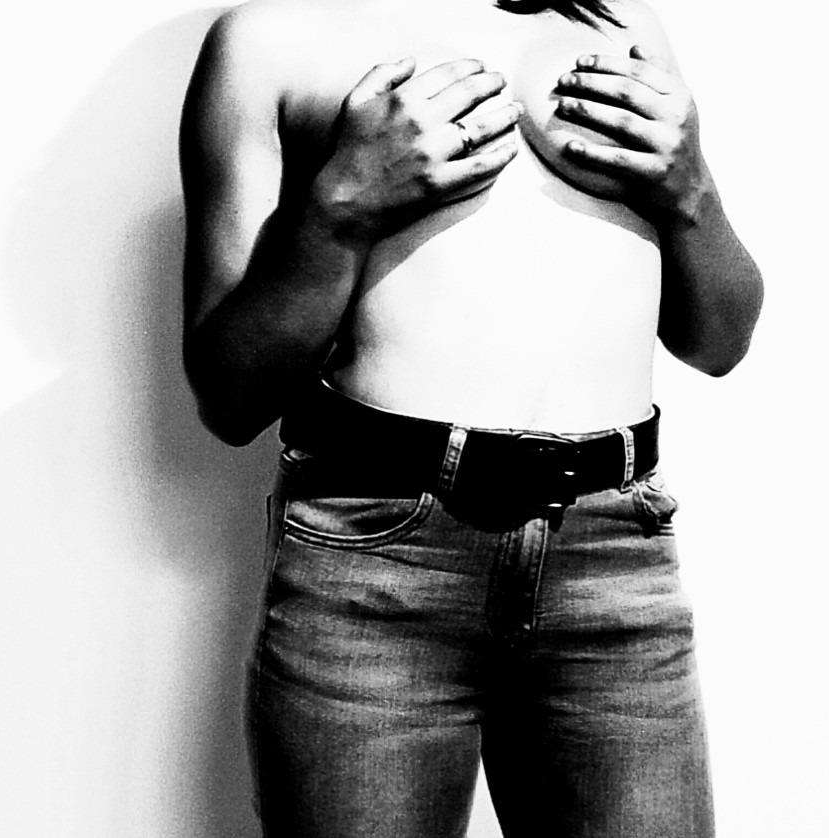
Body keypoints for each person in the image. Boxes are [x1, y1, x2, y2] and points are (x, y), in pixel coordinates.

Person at [179, 0, 763, 834]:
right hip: (378, 565)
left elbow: (720, 341)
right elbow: (230, 395)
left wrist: (690, 189)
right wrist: (339, 208)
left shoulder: (618, 24)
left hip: (613, 561)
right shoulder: (273, 40)